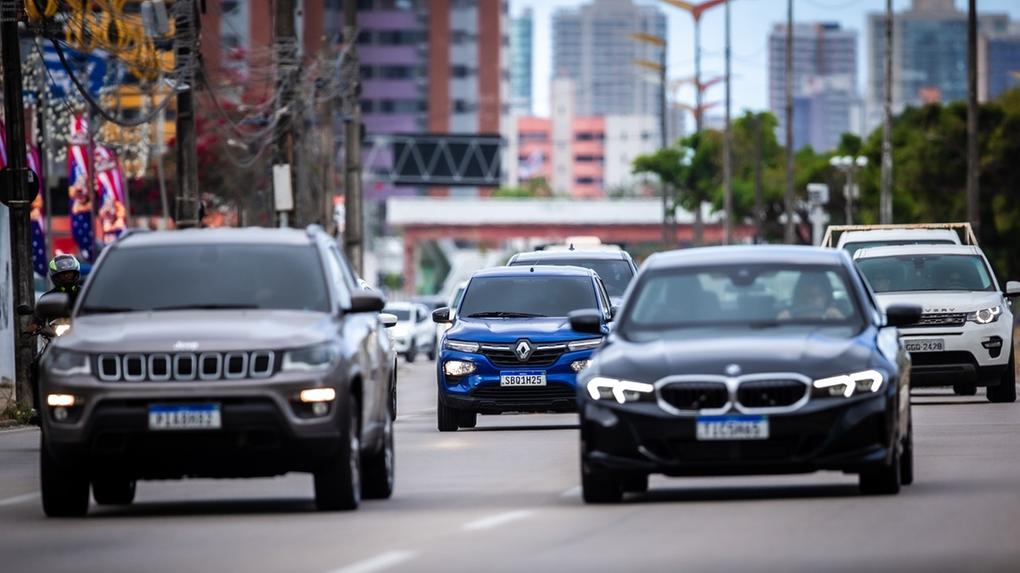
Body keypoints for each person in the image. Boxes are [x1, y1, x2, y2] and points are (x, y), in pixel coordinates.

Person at [778, 273, 844, 321]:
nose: (809, 300)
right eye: (805, 296)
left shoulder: (835, 317)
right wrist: (781, 324)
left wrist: (840, 320)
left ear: (826, 297)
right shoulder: (788, 318)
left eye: (815, 296)